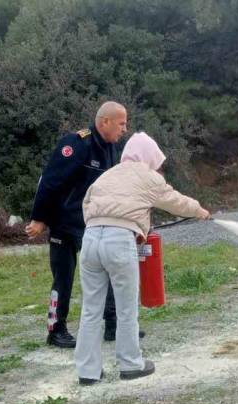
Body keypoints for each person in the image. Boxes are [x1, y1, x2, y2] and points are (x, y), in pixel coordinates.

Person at [74, 132, 211, 385]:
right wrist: (199, 210)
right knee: (126, 308)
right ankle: (130, 364)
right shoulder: (147, 177)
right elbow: (175, 201)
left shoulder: (107, 175)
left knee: (91, 309)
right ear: (148, 156)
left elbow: (86, 203)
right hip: (119, 241)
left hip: (90, 239)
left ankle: (87, 371)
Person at [25, 102, 129, 348]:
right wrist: (40, 218)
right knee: (63, 278)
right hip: (64, 222)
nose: (125, 129)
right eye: (122, 124)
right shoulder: (77, 144)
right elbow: (50, 181)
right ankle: (56, 330)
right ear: (105, 122)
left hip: (91, 223)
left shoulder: (110, 148)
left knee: (109, 268)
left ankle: (113, 325)